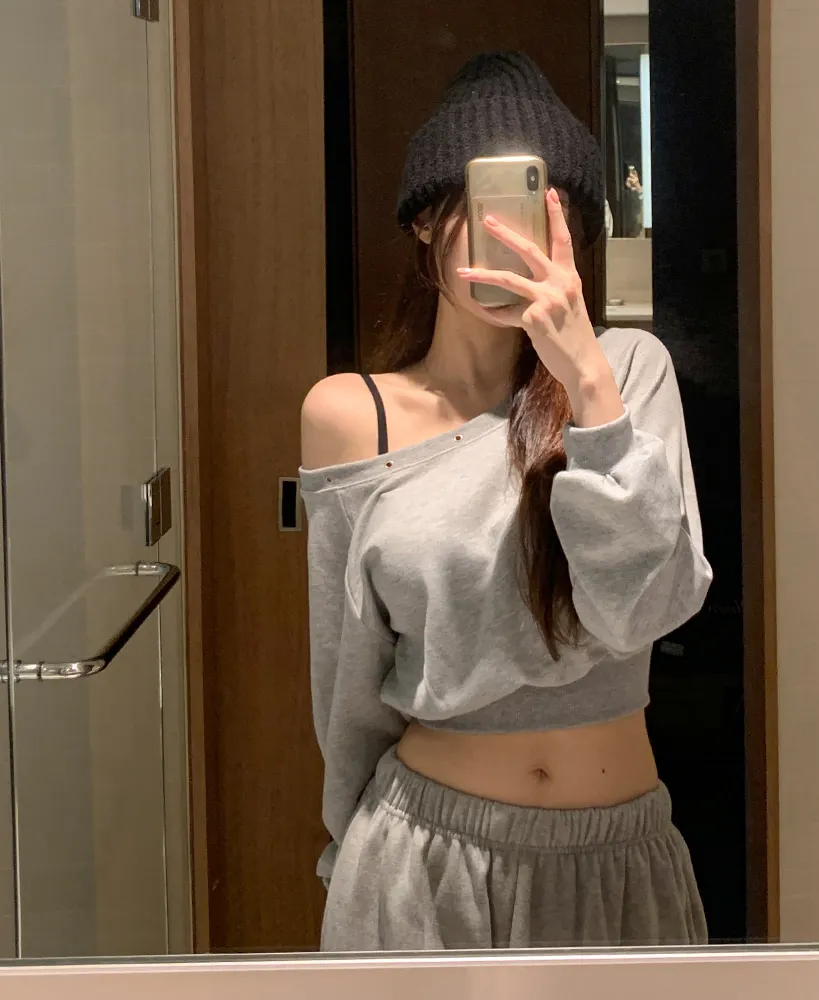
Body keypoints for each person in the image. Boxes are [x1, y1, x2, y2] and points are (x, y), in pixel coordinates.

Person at [300, 51, 712, 952]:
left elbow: (642, 608)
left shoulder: (628, 372)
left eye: (542, 212)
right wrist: (345, 861)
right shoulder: (349, 414)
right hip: (419, 863)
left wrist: (586, 382)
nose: (512, 239)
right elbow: (347, 682)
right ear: (424, 221)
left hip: (617, 864)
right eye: (482, 208)